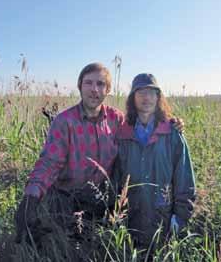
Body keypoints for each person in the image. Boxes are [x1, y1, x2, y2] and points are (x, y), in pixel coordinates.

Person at [14, 63, 185, 257]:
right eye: (88, 83)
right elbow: (49, 162)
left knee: (101, 252)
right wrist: (32, 196)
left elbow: (144, 130)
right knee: (66, 252)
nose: (94, 89)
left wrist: (172, 123)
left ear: (108, 90)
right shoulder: (64, 121)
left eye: (100, 84)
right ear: (80, 86)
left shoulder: (117, 120)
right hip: (67, 202)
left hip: (103, 203)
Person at [115, 73, 196, 250]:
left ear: (158, 97)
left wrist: (180, 217)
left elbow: (185, 179)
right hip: (130, 224)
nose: (147, 98)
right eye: (141, 92)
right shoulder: (123, 134)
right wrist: (116, 216)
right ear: (132, 98)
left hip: (163, 222)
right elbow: (116, 180)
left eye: (152, 92)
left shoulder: (172, 133)